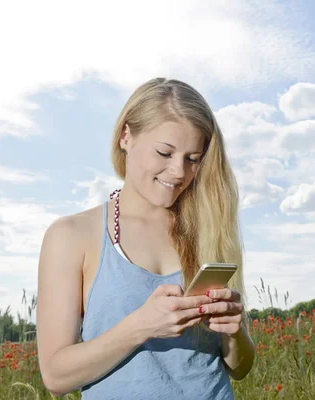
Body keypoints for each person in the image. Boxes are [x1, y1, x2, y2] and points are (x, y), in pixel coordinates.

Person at [36, 77, 255, 399]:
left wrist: (234, 333)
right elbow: (56, 377)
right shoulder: (71, 236)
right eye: (164, 152)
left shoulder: (209, 228)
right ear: (126, 136)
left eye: (193, 159)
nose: (179, 171)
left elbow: (240, 368)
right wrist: (141, 326)